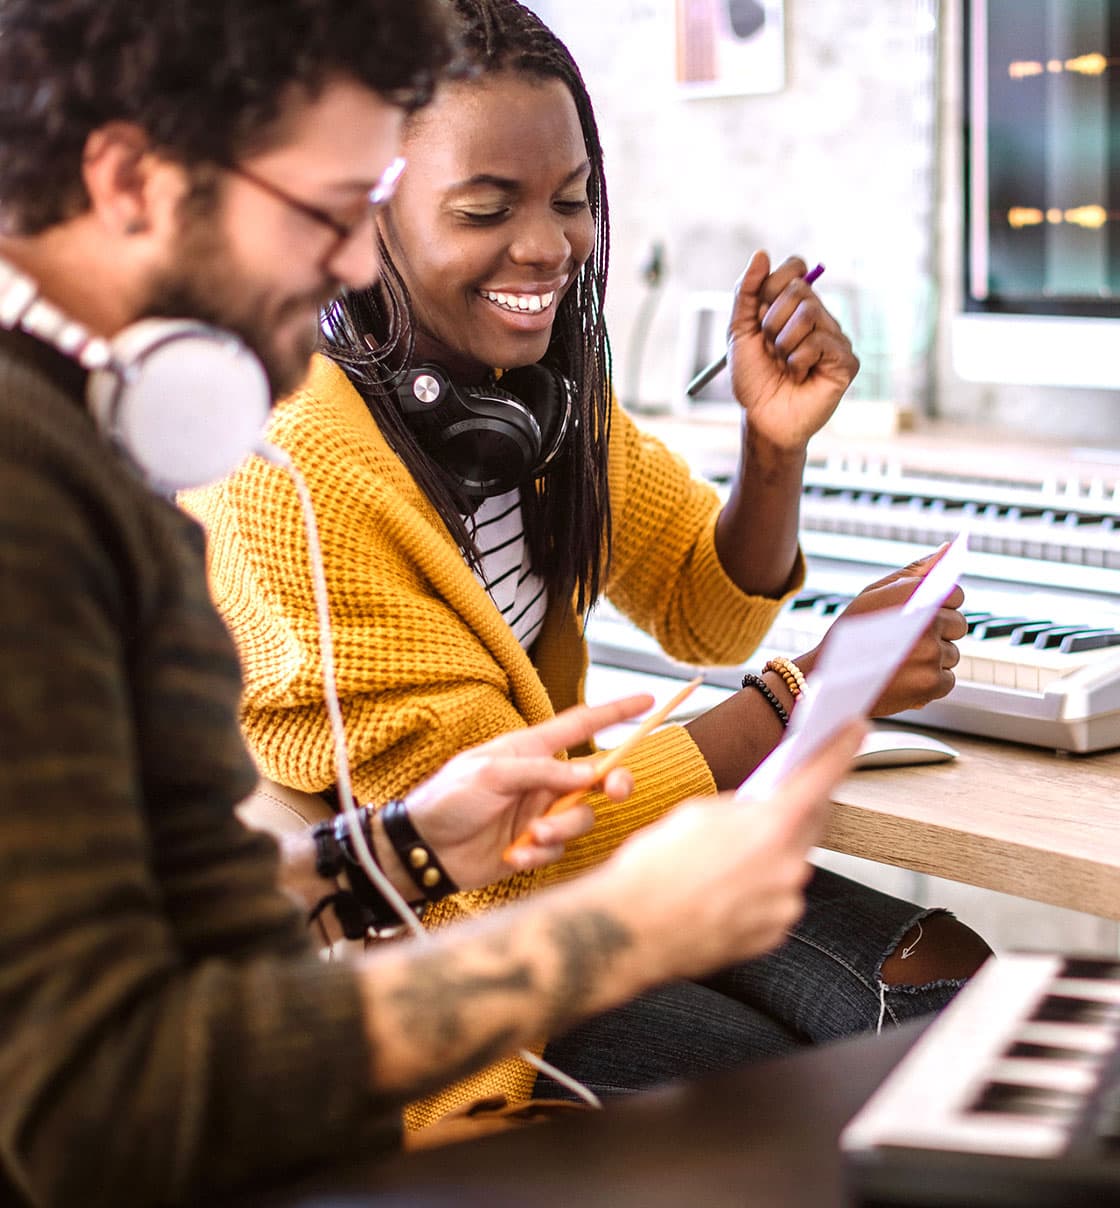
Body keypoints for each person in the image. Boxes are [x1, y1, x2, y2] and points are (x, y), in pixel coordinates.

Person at [0, 2, 897, 1204]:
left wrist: (402, 847)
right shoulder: (36, 500)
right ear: (126, 181)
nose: (351, 265)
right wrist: (611, 934)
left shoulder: (89, 444)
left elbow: (182, 910)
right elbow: (100, 1103)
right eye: (324, 212)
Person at [182, 0, 991, 1132]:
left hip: (578, 863)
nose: (548, 246)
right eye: (486, 207)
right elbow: (485, 855)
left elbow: (706, 612)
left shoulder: (532, 394)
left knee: (950, 981)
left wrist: (773, 443)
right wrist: (805, 695)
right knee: (792, 1089)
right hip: (434, 958)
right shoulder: (290, 471)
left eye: (571, 200)